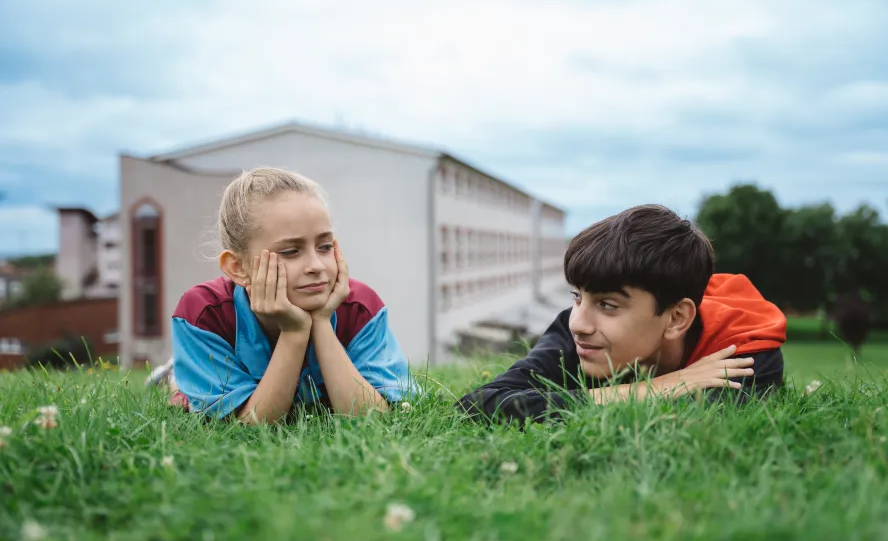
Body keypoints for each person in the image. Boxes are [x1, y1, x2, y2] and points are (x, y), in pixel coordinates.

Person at [458, 204, 786, 423]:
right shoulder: (579, 331)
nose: (579, 324)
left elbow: (688, 428)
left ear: (676, 319)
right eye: (577, 296)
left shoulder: (741, 350)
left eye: (608, 305)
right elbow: (479, 404)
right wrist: (663, 386)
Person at [169, 167, 418, 423]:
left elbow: (376, 419)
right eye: (290, 252)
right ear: (238, 267)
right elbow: (248, 427)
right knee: (184, 396)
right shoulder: (204, 313)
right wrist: (294, 332)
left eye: (324, 247)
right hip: (213, 361)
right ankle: (174, 376)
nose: (317, 266)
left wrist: (321, 322)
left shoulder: (360, 308)